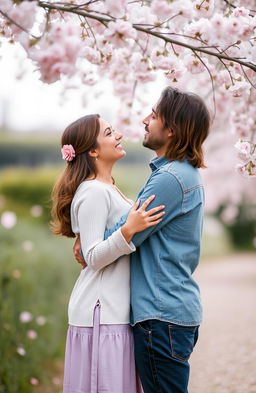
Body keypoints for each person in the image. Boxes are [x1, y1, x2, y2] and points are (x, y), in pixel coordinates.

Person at [74, 87, 211, 393]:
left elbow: (125, 230)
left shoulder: (170, 179)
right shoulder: (179, 174)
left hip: (161, 315)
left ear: (172, 130)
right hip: (170, 313)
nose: (145, 120)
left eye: (154, 115)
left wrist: (88, 241)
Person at [50, 114, 165, 393]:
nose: (119, 136)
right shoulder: (93, 192)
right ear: (93, 150)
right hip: (100, 313)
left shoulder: (107, 188)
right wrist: (127, 231)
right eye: (110, 133)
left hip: (113, 309)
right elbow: (93, 256)